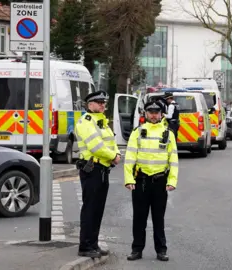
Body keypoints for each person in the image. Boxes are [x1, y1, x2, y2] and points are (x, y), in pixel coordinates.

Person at [124, 100, 179, 262]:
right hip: (141, 180)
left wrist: (172, 181)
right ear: (145, 113)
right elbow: (130, 158)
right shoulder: (137, 132)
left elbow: (173, 159)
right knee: (139, 217)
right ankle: (136, 249)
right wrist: (128, 179)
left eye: (156, 112)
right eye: (151, 112)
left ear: (161, 114)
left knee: (158, 218)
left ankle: (161, 250)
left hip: (160, 180)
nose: (154, 115)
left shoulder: (168, 133)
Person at [74, 91, 121, 258]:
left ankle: (93, 244)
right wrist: (113, 157)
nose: (102, 105)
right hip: (92, 169)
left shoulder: (101, 121)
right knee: (90, 209)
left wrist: (117, 154)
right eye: (99, 102)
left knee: (98, 210)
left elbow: (111, 142)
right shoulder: (86, 122)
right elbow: (96, 147)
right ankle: (85, 246)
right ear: (90, 104)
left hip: (102, 170)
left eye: (104, 102)